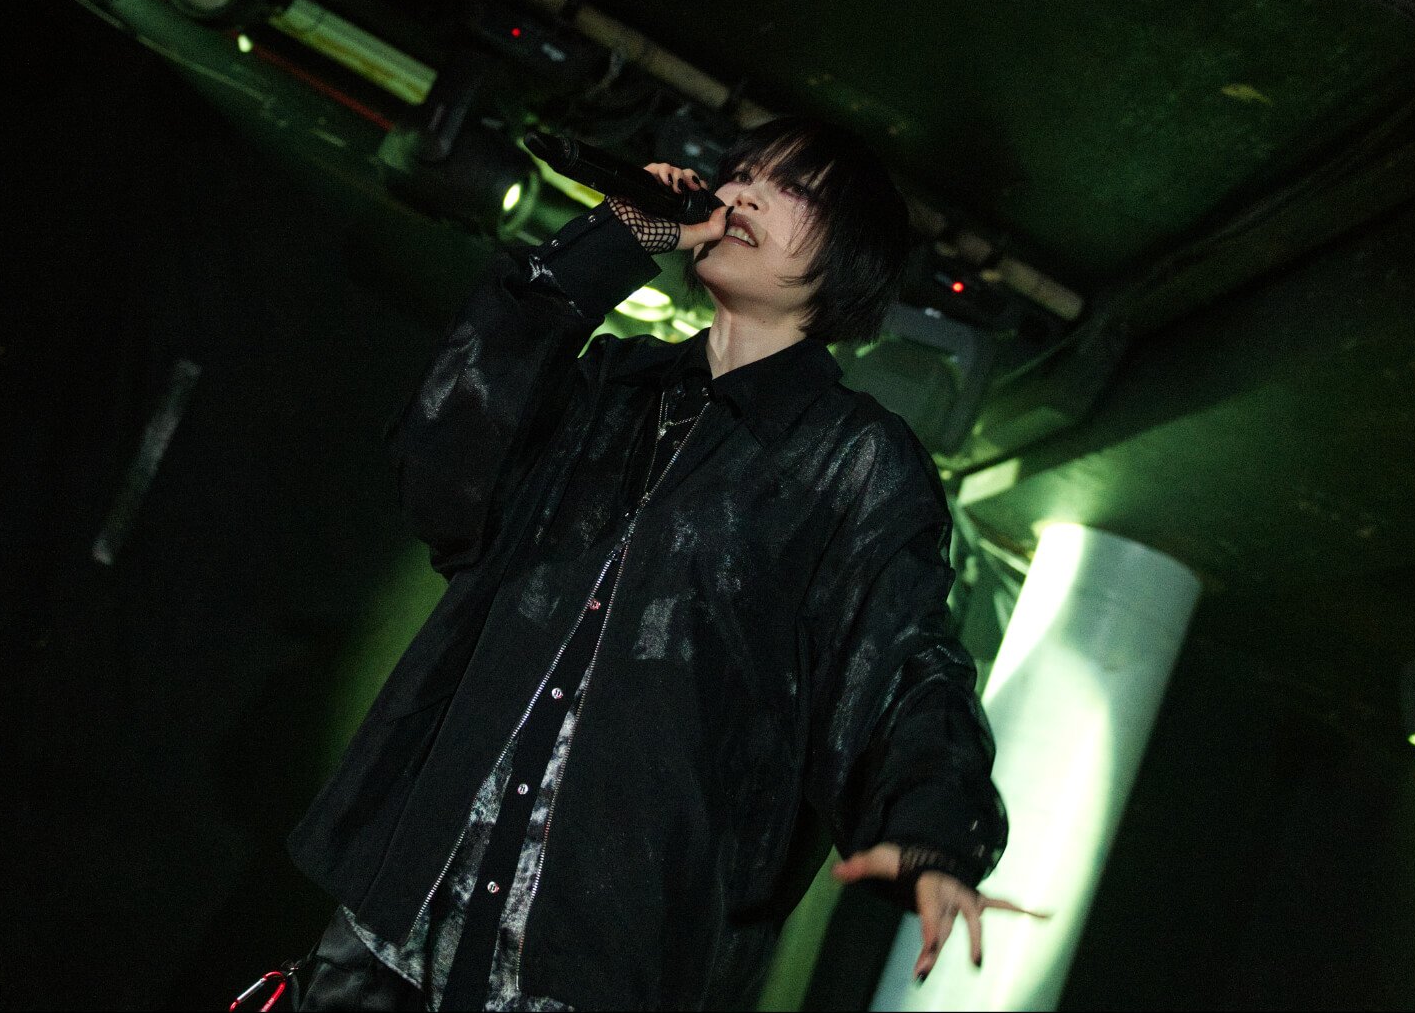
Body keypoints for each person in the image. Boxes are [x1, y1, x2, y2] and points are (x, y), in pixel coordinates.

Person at [285, 117, 1022, 1012]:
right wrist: (611, 243)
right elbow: (441, 466)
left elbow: (900, 659)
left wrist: (936, 829)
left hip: (590, 972)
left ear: (851, 256)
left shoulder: (853, 461)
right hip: (397, 934)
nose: (741, 193)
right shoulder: (607, 387)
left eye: (790, 187)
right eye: (739, 173)